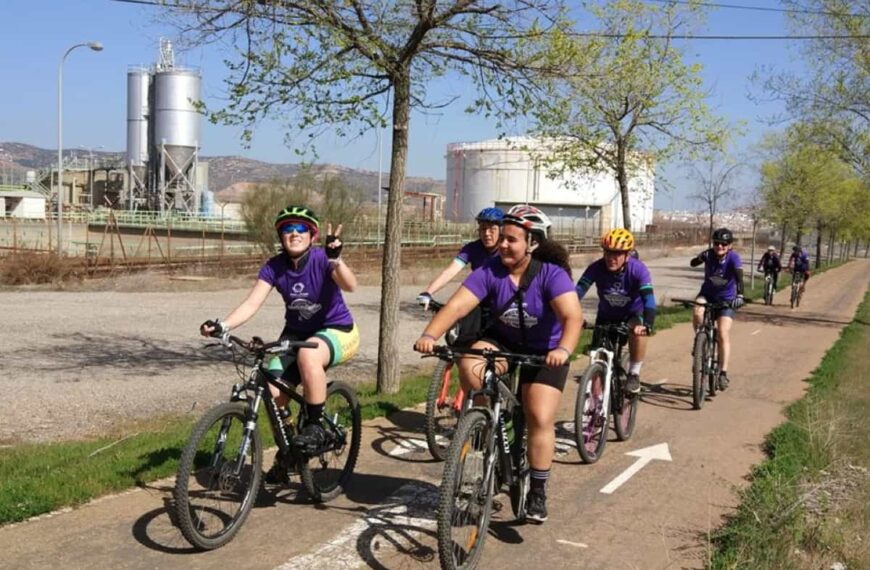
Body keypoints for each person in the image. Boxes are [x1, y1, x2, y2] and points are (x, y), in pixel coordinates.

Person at [414, 204, 582, 524]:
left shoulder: (551, 275)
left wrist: (563, 348)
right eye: (501, 238)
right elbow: (457, 306)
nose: (502, 244)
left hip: (545, 350)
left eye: (511, 239)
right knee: (471, 365)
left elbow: (573, 317)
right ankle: (487, 422)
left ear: (531, 243)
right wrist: (430, 333)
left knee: (539, 416)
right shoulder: (491, 270)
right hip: (503, 342)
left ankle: (537, 493)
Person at [200, 205, 359, 482]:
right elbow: (252, 303)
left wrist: (337, 259)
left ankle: (315, 427)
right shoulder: (274, 267)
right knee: (273, 394)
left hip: (338, 330)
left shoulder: (324, 258)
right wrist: (223, 325)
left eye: (301, 229)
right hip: (296, 335)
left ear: (312, 236)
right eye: (288, 229)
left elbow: (350, 285)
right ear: (280, 236)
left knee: (309, 357)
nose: (294, 234)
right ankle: (290, 454)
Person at [575, 228, 655, 394]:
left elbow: (649, 299)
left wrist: (647, 323)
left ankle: (633, 373)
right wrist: (571, 316)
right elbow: (576, 293)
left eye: (617, 254)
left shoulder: (638, 269)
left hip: (631, 315)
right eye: (608, 253)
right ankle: (594, 405)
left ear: (627, 255)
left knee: (638, 332)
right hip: (605, 316)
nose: (611, 258)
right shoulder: (596, 268)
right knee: (598, 358)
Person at [689, 228, 744, 390]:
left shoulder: (734, 258)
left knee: (722, 332)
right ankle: (700, 342)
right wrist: (700, 257)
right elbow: (693, 263)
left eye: (724, 244)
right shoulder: (709, 254)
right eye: (717, 243)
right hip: (707, 295)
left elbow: (739, 276)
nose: (720, 246)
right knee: (697, 309)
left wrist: (740, 296)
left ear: (730, 245)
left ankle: (723, 373)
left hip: (727, 300)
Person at [416, 207, 504, 305]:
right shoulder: (472, 248)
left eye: (492, 229)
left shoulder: (506, 250)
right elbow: (450, 272)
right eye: (483, 228)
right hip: (479, 298)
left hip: (502, 298)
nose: (487, 234)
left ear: (501, 231)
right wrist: (428, 292)